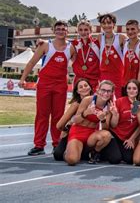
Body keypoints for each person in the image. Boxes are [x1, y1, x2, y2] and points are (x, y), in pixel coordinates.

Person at [19, 20, 72, 156]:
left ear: (67, 31)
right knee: (42, 115)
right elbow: (32, 62)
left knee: (58, 116)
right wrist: (23, 78)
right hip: (45, 85)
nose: (61, 31)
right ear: (54, 31)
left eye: (63, 29)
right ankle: (39, 145)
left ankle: (57, 144)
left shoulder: (71, 48)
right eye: (58, 29)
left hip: (60, 85)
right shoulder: (46, 46)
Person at [64, 80, 115, 165]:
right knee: (72, 160)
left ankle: (95, 152)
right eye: (103, 90)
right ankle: (68, 151)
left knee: (106, 135)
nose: (105, 93)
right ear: (98, 90)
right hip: (77, 133)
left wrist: (102, 119)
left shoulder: (109, 106)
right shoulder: (88, 100)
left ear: (112, 93)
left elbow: (106, 128)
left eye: (108, 91)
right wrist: (85, 113)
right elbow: (74, 120)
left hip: (91, 135)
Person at [103, 79, 140, 164]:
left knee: (129, 159)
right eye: (129, 88)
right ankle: (102, 152)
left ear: (138, 90)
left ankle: (116, 151)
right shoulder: (119, 101)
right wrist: (115, 115)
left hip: (126, 138)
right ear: (126, 90)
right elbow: (113, 125)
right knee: (115, 159)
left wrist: (131, 139)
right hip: (115, 135)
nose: (131, 91)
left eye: (134, 88)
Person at [54, 78, 93, 161]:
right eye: (81, 87)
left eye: (86, 85)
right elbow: (59, 125)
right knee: (58, 155)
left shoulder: (97, 102)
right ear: (77, 91)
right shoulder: (75, 105)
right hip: (75, 133)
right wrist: (66, 129)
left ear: (90, 87)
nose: (84, 88)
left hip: (91, 134)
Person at [97, 13, 127, 98]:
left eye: (109, 23)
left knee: (117, 100)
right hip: (103, 75)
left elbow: (134, 43)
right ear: (101, 25)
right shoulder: (99, 37)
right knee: (104, 99)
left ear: (114, 24)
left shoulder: (121, 37)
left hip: (118, 75)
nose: (106, 25)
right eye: (104, 23)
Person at [70, 20, 101, 91]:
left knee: (92, 102)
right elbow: (59, 43)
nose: (83, 32)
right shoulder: (74, 44)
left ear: (91, 31)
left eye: (86, 29)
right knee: (78, 102)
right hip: (79, 82)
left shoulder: (97, 44)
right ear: (78, 31)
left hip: (93, 82)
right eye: (80, 30)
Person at [121, 20, 140, 93]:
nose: (130, 32)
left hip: (138, 83)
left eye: (133, 29)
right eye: (128, 29)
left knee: (137, 104)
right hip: (125, 83)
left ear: (138, 30)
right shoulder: (124, 42)